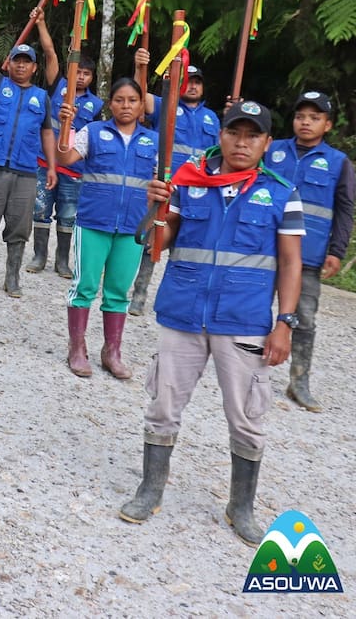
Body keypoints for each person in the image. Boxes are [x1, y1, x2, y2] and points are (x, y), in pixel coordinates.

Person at [118, 100, 302, 546]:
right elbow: (159, 240)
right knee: (163, 404)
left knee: (246, 416)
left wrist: (285, 322)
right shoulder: (190, 181)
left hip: (243, 320)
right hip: (183, 311)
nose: (242, 143)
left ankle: (241, 506)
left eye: (253, 136)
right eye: (234, 132)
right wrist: (155, 207)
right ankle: (150, 489)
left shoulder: (282, 193)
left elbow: (291, 263)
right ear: (221, 135)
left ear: (267, 143)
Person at [55, 78, 155, 379]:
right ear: (110, 104)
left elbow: (161, 184)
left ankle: (112, 351)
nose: (126, 106)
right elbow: (65, 157)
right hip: (93, 222)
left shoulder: (153, 141)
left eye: (132, 100)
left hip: (132, 228)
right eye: (119, 100)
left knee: (118, 291)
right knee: (84, 286)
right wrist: (65, 126)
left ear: (141, 105)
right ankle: (77, 348)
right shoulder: (94, 131)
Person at [266, 91, 354, 411]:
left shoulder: (338, 163)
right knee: (252, 308)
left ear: (327, 125)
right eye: (301, 116)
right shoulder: (272, 150)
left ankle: (299, 381)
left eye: (314, 118)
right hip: (263, 246)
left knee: (303, 318)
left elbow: (345, 210)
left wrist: (337, 251)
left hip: (308, 255)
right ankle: (244, 367)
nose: (306, 122)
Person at [0, 8, 57, 296]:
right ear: (9, 64)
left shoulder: (41, 97)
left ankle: (12, 276)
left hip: (25, 172)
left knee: (20, 226)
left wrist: (52, 166)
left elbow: (47, 132)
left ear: (34, 68)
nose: (21, 66)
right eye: (17, 61)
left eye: (26, 62)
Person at [128, 53, 219, 315]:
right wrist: (140, 67)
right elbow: (139, 95)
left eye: (197, 82)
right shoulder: (164, 105)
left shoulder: (213, 118)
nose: (193, 86)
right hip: (165, 186)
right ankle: (140, 292)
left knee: (190, 244)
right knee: (155, 237)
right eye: (188, 81)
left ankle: (183, 298)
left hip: (197, 192)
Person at [30, 49, 101, 278]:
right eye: (77, 72)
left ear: (92, 78)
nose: (81, 77)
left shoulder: (96, 105)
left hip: (74, 169)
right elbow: (50, 55)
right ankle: (39, 256)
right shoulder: (57, 87)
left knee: (68, 215)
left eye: (86, 74)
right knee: (40, 209)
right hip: (45, 161)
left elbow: (94, 138)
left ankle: (62, 260)